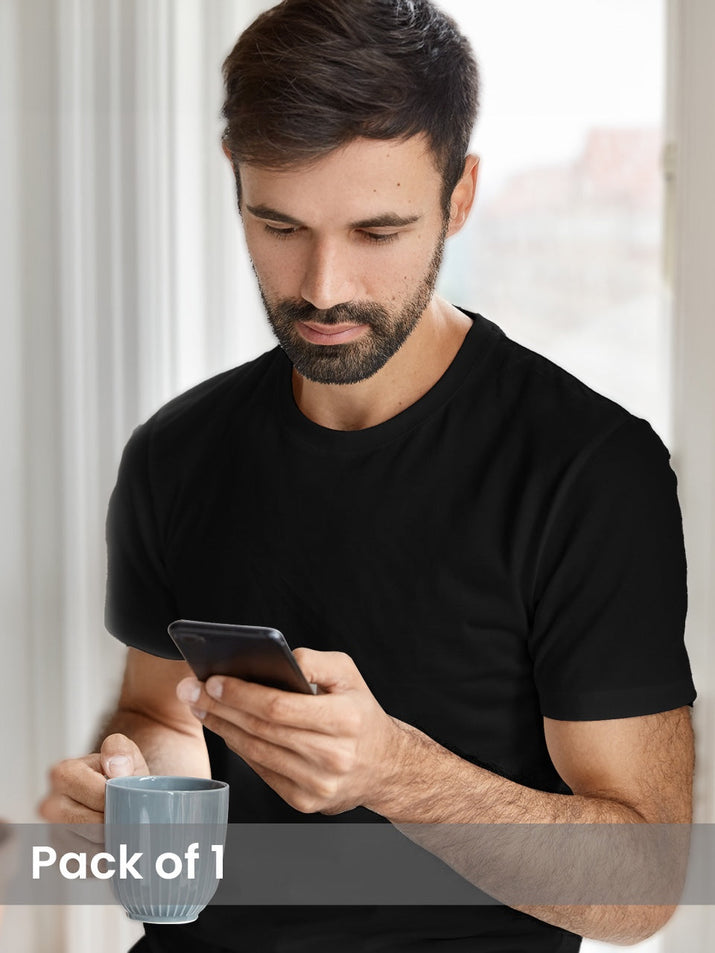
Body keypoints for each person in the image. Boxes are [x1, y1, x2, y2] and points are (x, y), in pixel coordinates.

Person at [39, 0, 696, 951]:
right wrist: (136, 798)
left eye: (378, 232)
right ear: (238, 186)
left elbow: (641, 889)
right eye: (279, 223)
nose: (323, 285)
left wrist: (395, 772)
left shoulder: (590, 470)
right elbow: (159, 710)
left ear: (459, 196)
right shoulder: (173, 452)